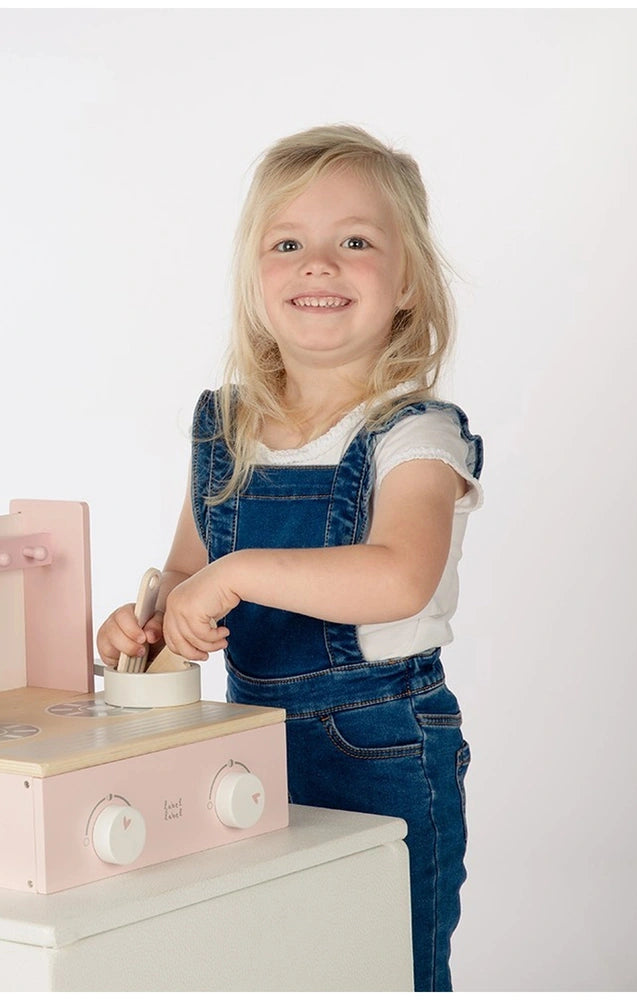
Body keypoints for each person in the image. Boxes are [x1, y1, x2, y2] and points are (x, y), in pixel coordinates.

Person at [96, 124, 483, 992]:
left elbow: (397, 576)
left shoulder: (414, 435)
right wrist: (140, 625)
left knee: (383, 963)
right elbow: (182, 579)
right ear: (255, 278)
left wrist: (232, 576)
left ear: (409, 283)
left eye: (355, 241)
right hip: (245, 745)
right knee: (277, 961)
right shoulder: (225, 429)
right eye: (288, 243)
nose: (319, 264)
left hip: (379, 743)